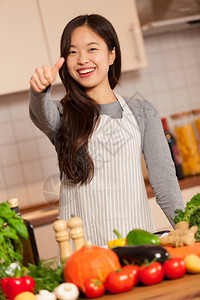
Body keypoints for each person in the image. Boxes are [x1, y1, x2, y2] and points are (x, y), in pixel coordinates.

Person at [29, 14, 184, 246]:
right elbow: (40, 113)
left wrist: (186, 229)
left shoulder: (141, 111)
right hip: (85, 254)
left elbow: (164, 181)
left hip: (136, 244)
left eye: (92, 49)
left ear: (112, 54)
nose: (82, 59)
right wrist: (40, 91)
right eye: (73, 52)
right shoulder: (62, 114)